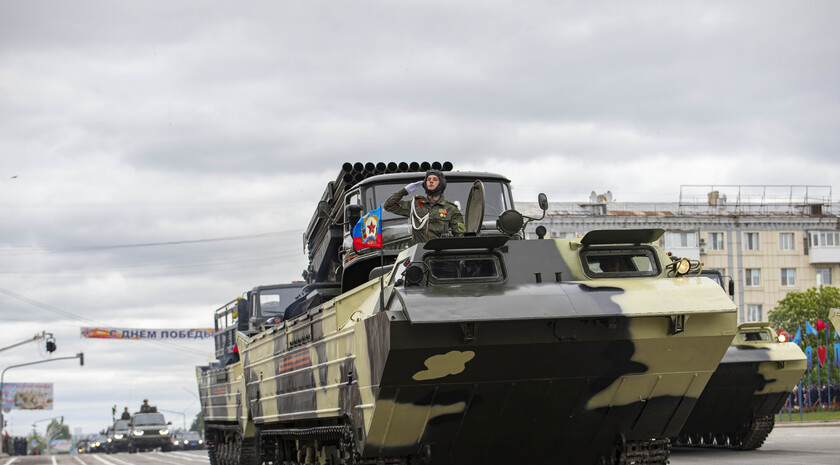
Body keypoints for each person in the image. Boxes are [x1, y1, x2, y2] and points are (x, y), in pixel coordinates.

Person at [384, 169, 466, 245]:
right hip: (419, 253)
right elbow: (389, 205)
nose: (431, 181)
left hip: (440, 253)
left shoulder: (451, 209)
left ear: (441, 183)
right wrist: (405, 191)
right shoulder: (415, 205)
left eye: (435, 179)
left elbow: (460, 235)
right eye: (428, 179)